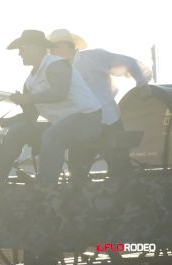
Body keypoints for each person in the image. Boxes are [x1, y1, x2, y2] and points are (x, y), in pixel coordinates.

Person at [0, 30, 102, 183]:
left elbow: (60, 93)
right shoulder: (29, 82)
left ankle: (45, 183)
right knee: (18, 130)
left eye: (22, 48)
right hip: (62, 124)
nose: (20, 54)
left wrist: (28, 98)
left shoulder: (57, 64)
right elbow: (29, 117)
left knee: (52, 136)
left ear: (36, 48)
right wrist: (0, 122)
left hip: (87, 121)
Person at [47, 29, 152, 181]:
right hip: (81, 126)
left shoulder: (94, 57)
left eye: (57, 46)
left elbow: (129, 63)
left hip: (108, 121)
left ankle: (130, 201)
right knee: (76, 171)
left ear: (69, 45)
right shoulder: (56, 71)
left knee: (121, 169)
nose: (53, 50)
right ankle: (80, 202)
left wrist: (142, 84)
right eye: (51, 48)